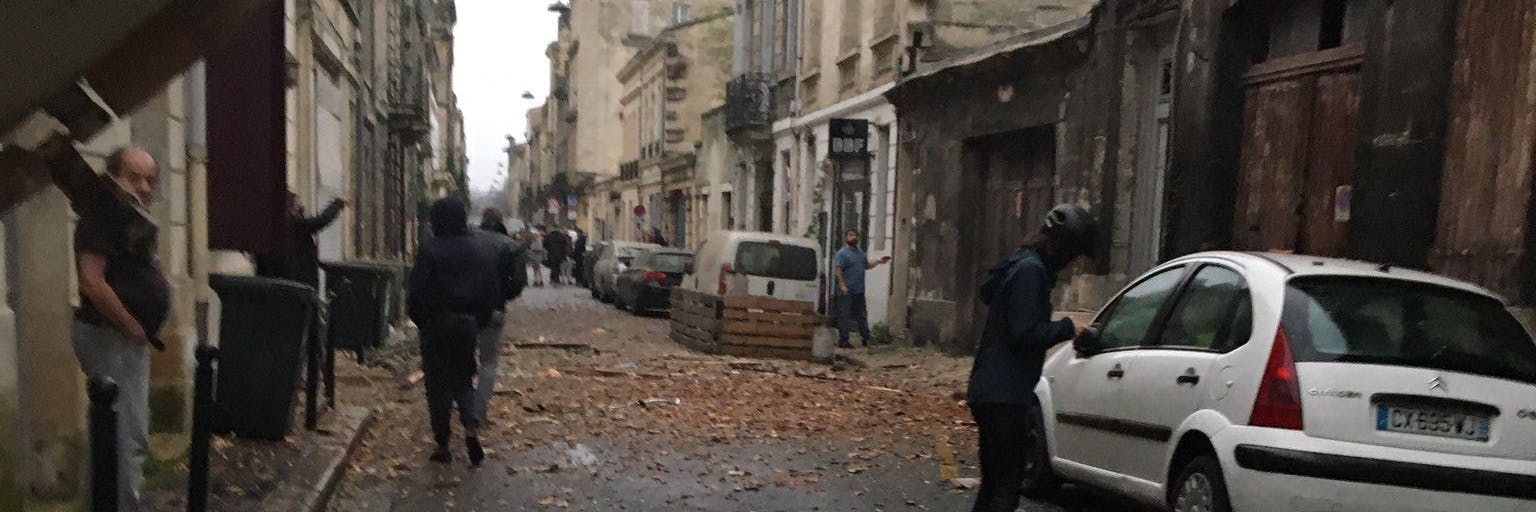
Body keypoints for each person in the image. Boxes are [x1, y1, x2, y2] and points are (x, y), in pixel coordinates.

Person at [967, 204, 1096, 512]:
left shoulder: (1019, 264)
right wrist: (1069, 327)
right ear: (1063, 247)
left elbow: (993, 298)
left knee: (994, 485)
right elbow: (1024, 332)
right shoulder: (1031, 271)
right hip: (1004, 394)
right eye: (1073, 255)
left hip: (991, 390)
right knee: (1006, 489)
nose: (1070, 264)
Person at [72, 147, 171, 511]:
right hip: (111, 337)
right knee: (125, 440)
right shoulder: (102, 216)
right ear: (113, 177)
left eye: (150, 179)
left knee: (121, 438)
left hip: (124, 339)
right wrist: (131, 324)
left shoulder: (126, 219)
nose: (144, 187)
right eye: (135, 177)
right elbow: (91, 280)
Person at [406, 197, 504, 466]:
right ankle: (470, 427)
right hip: (466, 324)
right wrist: (477, 320)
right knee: (463, 379)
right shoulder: (478, 251)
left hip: (436, 324)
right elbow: (491, 293)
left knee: (437, 385)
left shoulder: (430, 250)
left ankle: (443, 442)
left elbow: (416, 293)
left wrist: (422, 321)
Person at [473, 209, 527, 426]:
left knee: (461, 359)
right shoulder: (510, 246)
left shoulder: (467, 240)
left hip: (462, 309)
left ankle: (463, 405)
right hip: (493, 310)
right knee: (488, 362)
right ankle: (478, 412)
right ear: (501, 221)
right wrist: (502, 296)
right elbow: (518, 282)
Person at [255, 192, 349, 287]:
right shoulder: (294, 224)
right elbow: (321, 221)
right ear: (291, 209)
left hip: (272, 282)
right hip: (297, 282)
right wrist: (338, 203)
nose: (302, 213)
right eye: (300, 209)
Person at [833, 230, 891, 348]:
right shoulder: (842, 254)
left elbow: (866, 265)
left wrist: (879, 261)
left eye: (855, 236)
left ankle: (866, 339)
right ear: (846, 238)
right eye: (850, 235)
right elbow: (838, 271)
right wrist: (842, 285)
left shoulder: (860, 253)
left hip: (859, 290)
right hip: (846, 291)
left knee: (862, 315)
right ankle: (844, 340)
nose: (853, 238)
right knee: (844, 316)